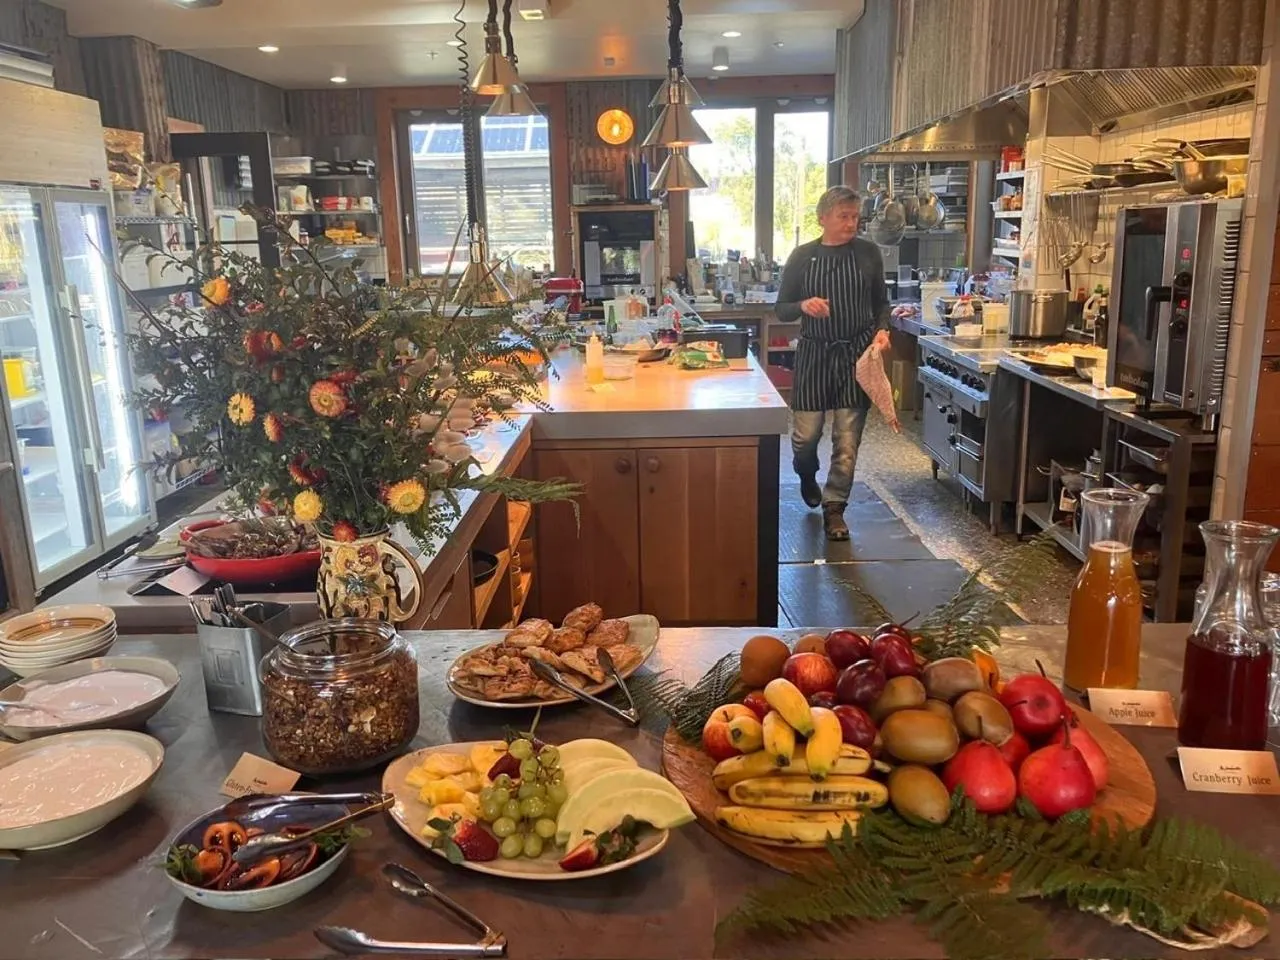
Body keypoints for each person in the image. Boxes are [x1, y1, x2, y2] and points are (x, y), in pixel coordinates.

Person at [775, 186, 891, 542]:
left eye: (855, 217)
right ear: (822, 218)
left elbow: (881, 304)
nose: (851, 223)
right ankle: (806, 473)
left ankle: (834, 507)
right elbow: (782, 308)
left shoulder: (869, 253)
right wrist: (804, 305)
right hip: (813, 353)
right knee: (805, 437)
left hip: (855, 355)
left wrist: (882, 331)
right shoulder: (802, 256)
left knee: (847, 441)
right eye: (843, 216)